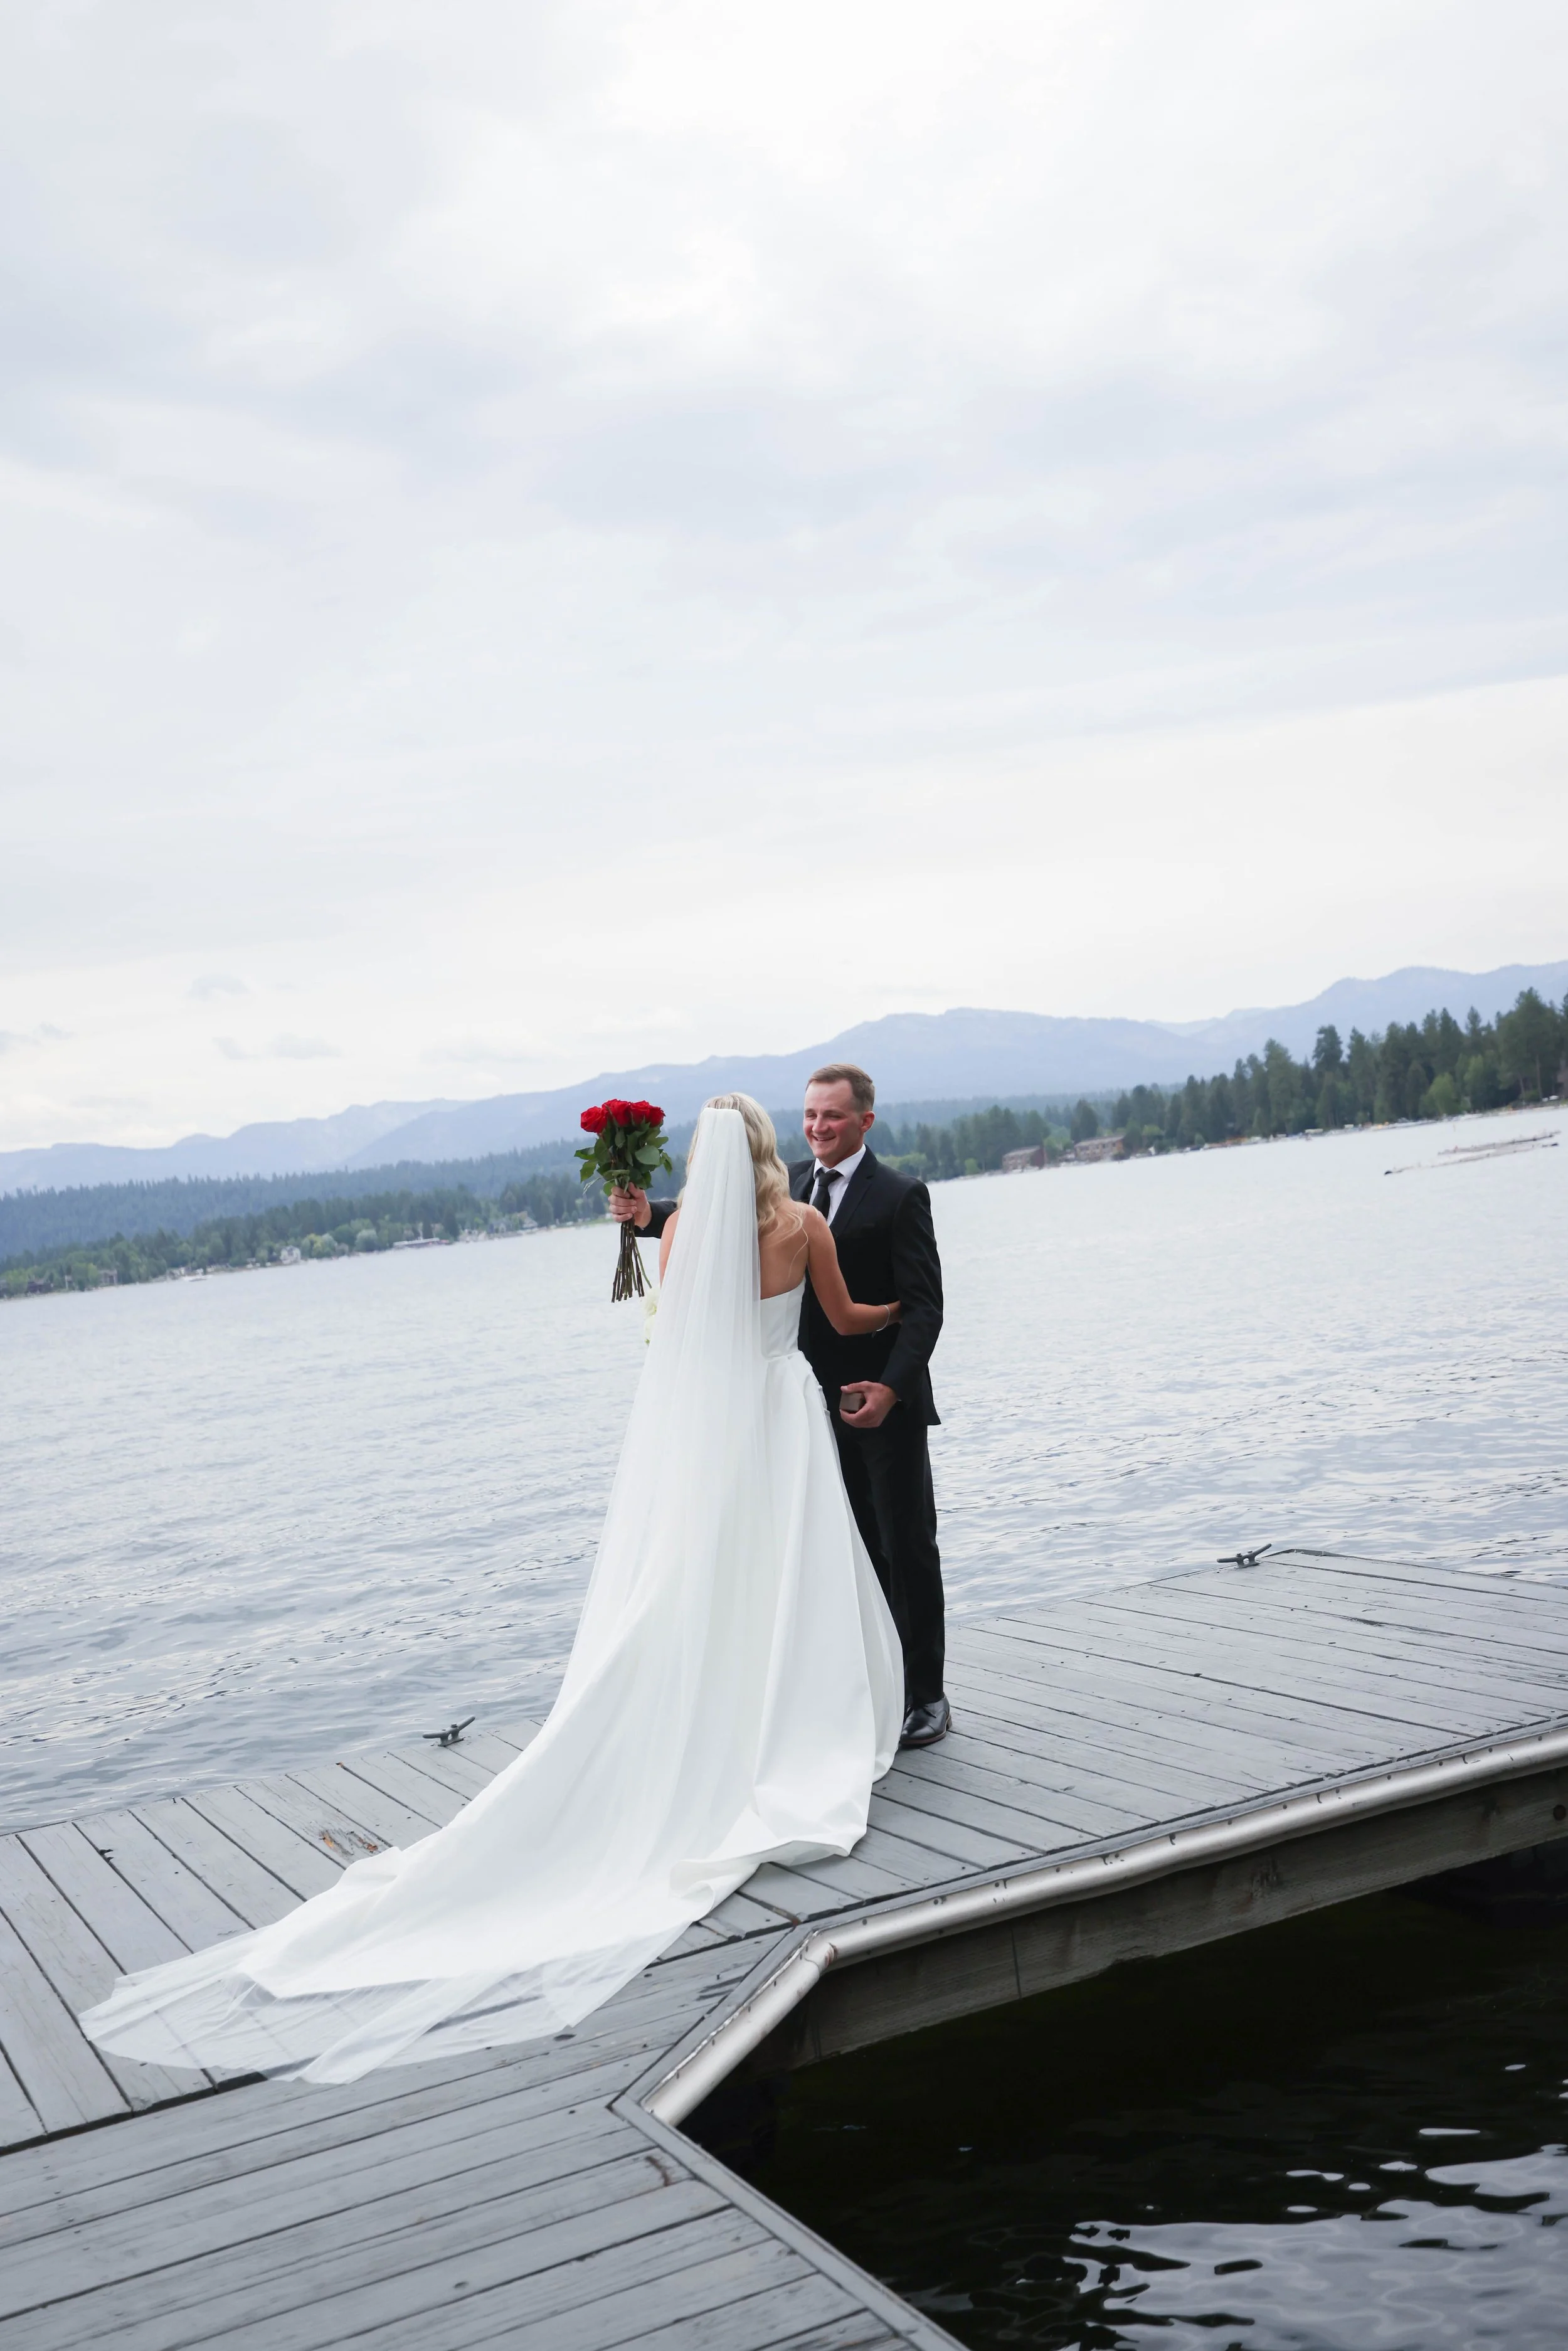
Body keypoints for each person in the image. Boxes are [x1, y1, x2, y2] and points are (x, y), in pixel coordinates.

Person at [80, 1099, 903, 2085]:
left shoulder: (682, 1229)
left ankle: (716, 1705)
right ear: (774, 1147)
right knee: (792, 1572)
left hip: (722, 1424)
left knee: (711, 1576)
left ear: (702, 1159)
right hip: (785, 1409)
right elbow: (847, 1318)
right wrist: (908, 1311)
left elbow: (682, 1345)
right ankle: (790, 1714)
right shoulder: (803, 1226)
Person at [613, 1061, 950, 1748]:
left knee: (901, 1544)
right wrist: (648, 1215)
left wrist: (890, 1387)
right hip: (792, 1404)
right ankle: (838, 1687)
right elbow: (716, 1214)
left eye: (831, 1115)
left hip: (872, 1400)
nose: (818, 1127)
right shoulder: (787, 1194)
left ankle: (924, 1697)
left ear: (864, 1121)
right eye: (810, 1115)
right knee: (818, 1555)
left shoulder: (900, 1195)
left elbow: (925, 1309)